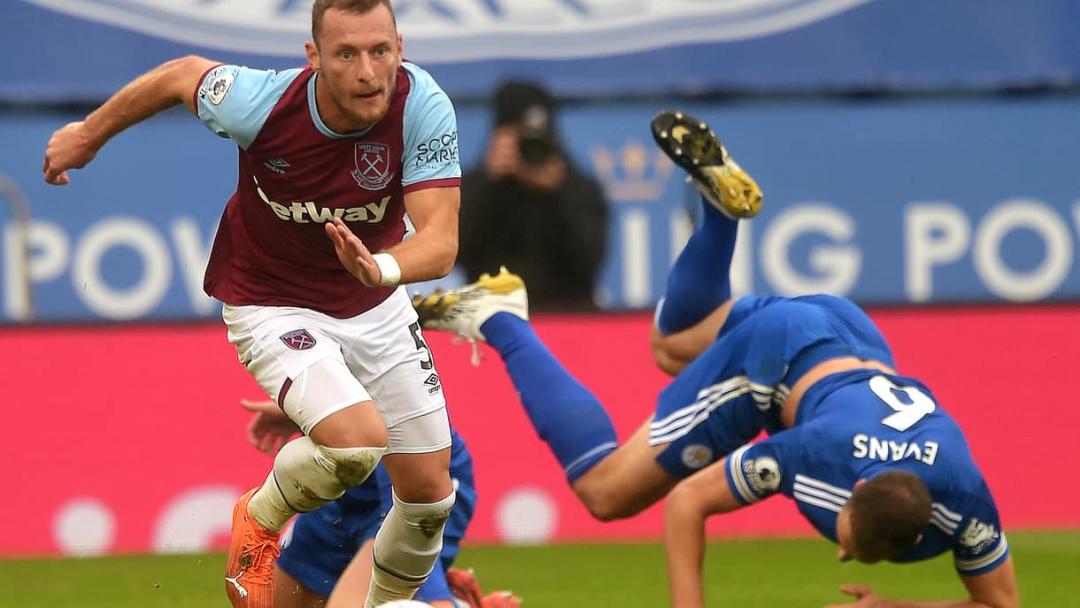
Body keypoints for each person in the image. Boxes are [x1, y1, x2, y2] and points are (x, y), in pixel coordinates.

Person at [413, 111, 1019, 607]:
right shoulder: (818, 460)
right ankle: (502, 319)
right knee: (607, 491)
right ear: (855, 488)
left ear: (920, 532)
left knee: (672, 344)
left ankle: (719, 216)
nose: (839, 552)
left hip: (844, 328)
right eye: (847, 539)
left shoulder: (965, 493)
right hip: (778, 368)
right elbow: (689, 502)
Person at [42, 2, 461, 606]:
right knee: (357, 445)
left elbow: (441, 240)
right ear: (314, 58)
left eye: (381, 51)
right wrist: (87, 135)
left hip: (373, 297)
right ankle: (261, 518)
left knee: (428, 501)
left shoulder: (421, 105)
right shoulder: (259, 103)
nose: (369, 72)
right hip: (272, 301)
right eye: (346, 55)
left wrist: (381, 268)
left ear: (400, 44)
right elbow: (180, 74)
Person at [239, 399, 520, 608]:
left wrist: (434, 596)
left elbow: (410, 520)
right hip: (347, 493)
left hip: (421, 485)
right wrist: (302, 410)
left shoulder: (389, 374)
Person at [458, 80, 608, 312]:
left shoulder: (580, 188)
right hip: (493, 316)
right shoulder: (477, 186)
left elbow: (590, 263)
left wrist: (558, 192)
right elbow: (455, 253)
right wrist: (488, 182)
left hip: (569, 317)